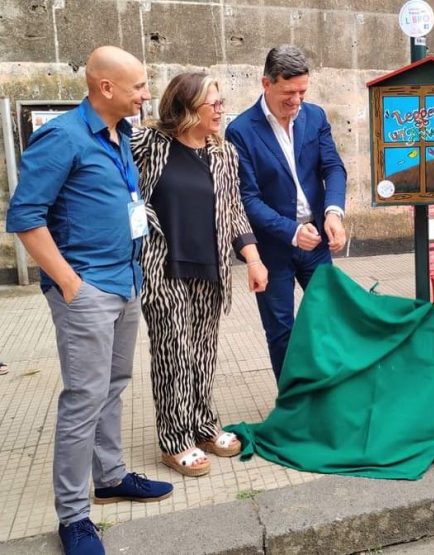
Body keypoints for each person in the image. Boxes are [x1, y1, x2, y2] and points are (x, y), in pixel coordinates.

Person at [5, 46, 173, 555]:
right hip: (88, 290)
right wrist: (71, 285)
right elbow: (25, 217)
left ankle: (111, 475)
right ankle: (74, 517)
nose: (146, 95)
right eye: (139, 86)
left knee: (114, 385)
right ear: (105, 88)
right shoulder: (62, 137)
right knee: (83, 398)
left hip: (125, 280)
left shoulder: (120, 133)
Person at [131, 72, 268, 477]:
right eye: (214, 102)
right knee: (174, 355)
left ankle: (203, 426)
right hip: (163, 269)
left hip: (210, 270)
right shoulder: (148, 144)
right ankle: (174, 440)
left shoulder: (223, 153)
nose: (221, 109)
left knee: (203, 355)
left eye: (221, 101)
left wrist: (254, 258)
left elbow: (233, 210)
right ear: (187, 107)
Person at [226, 45, 347, 384]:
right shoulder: (240, 131)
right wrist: (291, 232)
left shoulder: (315, 116)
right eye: (288, 93)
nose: (296, 101)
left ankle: (330, 393)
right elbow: (246, 199)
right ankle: (292, 405)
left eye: (302, 92)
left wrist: (334, 212)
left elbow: (333, 167)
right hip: (274, 247)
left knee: (328, 318)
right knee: (281, 330)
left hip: (318, 240)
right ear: (266, 83)